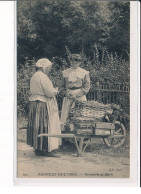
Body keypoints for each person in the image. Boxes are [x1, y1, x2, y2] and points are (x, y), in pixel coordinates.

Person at [27, 58, 61, 156]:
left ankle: (37, 148)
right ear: (44, 67)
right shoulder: (43, 77)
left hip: (34, 103)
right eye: (49, 68)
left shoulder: (34, 76)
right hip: (42, 103)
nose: (49, 70)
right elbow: (49, 93)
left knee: (36, 125)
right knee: (45, 125)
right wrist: (55, 91)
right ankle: (46, 149)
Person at [60, 54, 90, 131]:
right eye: (72, 62)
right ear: (70, 62)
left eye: (76, 62)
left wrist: (77, 95)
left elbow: (86, 87)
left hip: (79, 97)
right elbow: (61, 86)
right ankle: (66, 137)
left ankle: (80, 138)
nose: (74, 64)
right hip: (68, 96)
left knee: (79, 116)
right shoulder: (65, 72)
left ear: (80, 62)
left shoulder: (84, 73)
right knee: (66, 116)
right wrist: (65, 93)